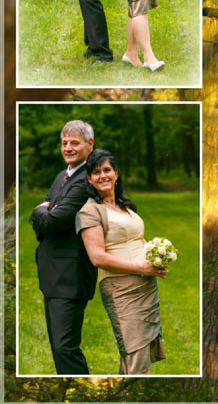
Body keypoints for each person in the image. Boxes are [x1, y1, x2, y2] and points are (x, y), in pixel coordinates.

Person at [76, 149, 167, 374]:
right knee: (133, 353)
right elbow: (97, 257)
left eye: (107, 170)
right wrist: (142, 268)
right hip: (120, 289)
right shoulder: (89, 212)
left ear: (116, 174)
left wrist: (157, 257)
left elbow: (137, 239)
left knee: (142, 356)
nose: (102, 176)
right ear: (89, 179)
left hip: (146, 286)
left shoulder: (125, 207)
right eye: (96, 172)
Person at [28, 120, 99, 374]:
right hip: (52, 274)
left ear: (89, 145)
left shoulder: (86, 180)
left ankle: (81, 393)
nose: (68, 148)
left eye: (74, 143)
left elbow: (55, 220)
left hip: (70, 275)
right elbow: (45, 212)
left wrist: (45, 212)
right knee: (58, 346)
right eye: (64, 143)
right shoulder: (63, 175)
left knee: (65, 347)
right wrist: (45, 213)